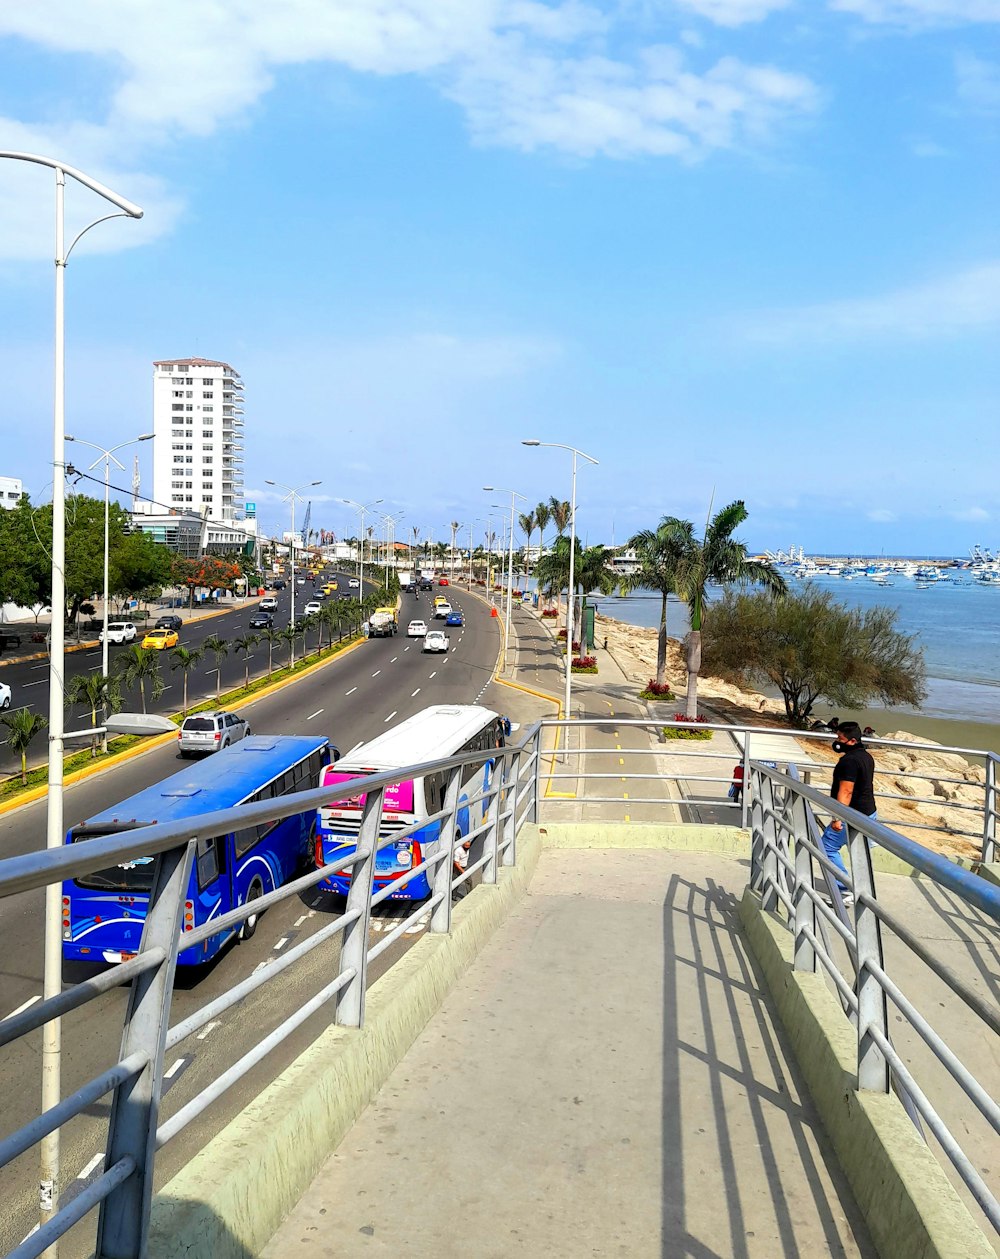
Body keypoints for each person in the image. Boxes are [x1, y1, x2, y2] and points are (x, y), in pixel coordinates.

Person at [820, 721, 877, 909]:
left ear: (852, 741)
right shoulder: (866, 757)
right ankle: (860, 890)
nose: (837, 742)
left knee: (826, 847)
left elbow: (846, 791)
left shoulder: (849, 761)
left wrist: (837, 818)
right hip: (869, 812)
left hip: (852, 815)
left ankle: (844, 889)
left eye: (840, 739)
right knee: (860, 852)